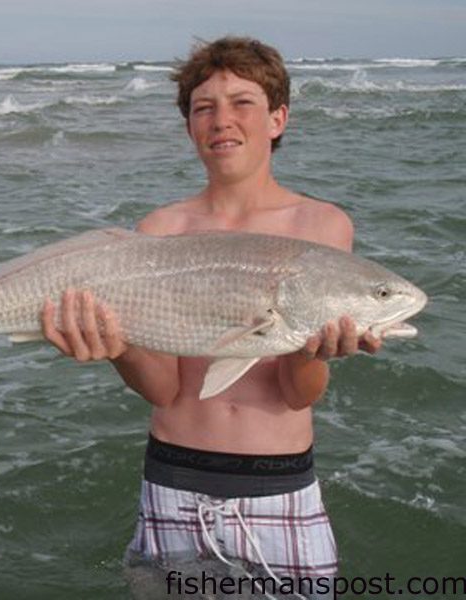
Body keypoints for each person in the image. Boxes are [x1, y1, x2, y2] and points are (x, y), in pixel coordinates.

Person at [40, 37, 382, 598]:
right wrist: (116, 347)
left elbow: (297, 395)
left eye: (242, 102)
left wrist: (311, 348)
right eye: (204, 107)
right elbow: (166, 389)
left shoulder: (321, 228)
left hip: (280, 493)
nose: (221, 119)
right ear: (189, 127)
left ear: (278, 118)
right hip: (173, 484)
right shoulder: (159, 230)